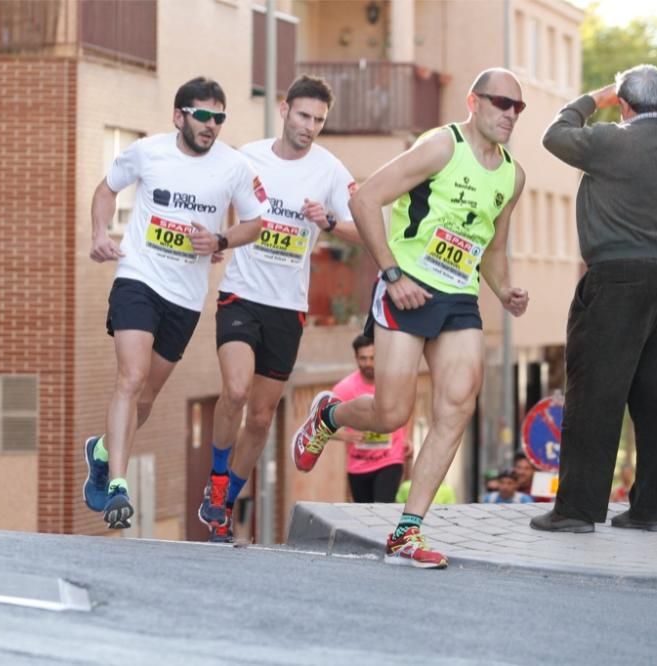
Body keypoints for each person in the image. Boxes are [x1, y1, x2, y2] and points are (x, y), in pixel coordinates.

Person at [291, 68, 530, 569]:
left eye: (517, 107)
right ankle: (329, 415)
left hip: (460, 297)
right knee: (391, 413)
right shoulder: (441, 146)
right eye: (501, 102)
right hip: (408, 288)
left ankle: (407, 531)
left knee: (457, 406)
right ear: (474, 101)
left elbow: (493, 249)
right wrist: (393, 274)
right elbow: (365, 198)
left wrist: (505, 289)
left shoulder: (513, 175)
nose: (509, 113)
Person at [530, 45, 657, 534]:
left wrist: (592, 97)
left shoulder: (607, 141)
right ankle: (651, 512)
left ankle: (578, 511)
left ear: (623, 106)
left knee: (595, 397)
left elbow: (553, 134)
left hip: (617, 282)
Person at [84, 77, 268, 530]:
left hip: (185, 297)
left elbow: (256, 222)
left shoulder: (234, 166)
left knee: (146, 396)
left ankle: (103, 451)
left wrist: (220, 239)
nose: (211, 125)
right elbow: (106, 190)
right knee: (131, 376)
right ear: (178, 116)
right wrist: (99, 233)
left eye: (219, 117)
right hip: (138, 277)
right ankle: (118, 487)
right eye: (202, 115)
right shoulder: (148, 152)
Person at [197, 75, 361, 542]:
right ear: (285, 109)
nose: (310, 126)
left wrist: (328, 221)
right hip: (242, 294)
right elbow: (214, 197)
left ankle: (225, 507)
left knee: (263, 417)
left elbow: (367, 225)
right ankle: (217, 478)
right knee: (235, 389)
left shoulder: (329, 170)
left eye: (319, 120)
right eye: (304, 115)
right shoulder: (247, 157)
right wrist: (213, 239)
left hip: (287, 307)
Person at [332, 335, 410, 504]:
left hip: (390, 460)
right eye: (363, 358)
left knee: (382, 508)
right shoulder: (344, 389)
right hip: (358, 465)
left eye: (373, 358)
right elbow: (320, 422)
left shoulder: (393, 382)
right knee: (364, 514)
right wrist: (343, 435)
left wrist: (406, 438)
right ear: (356, 358)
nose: (368, 363)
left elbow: (405, 410)